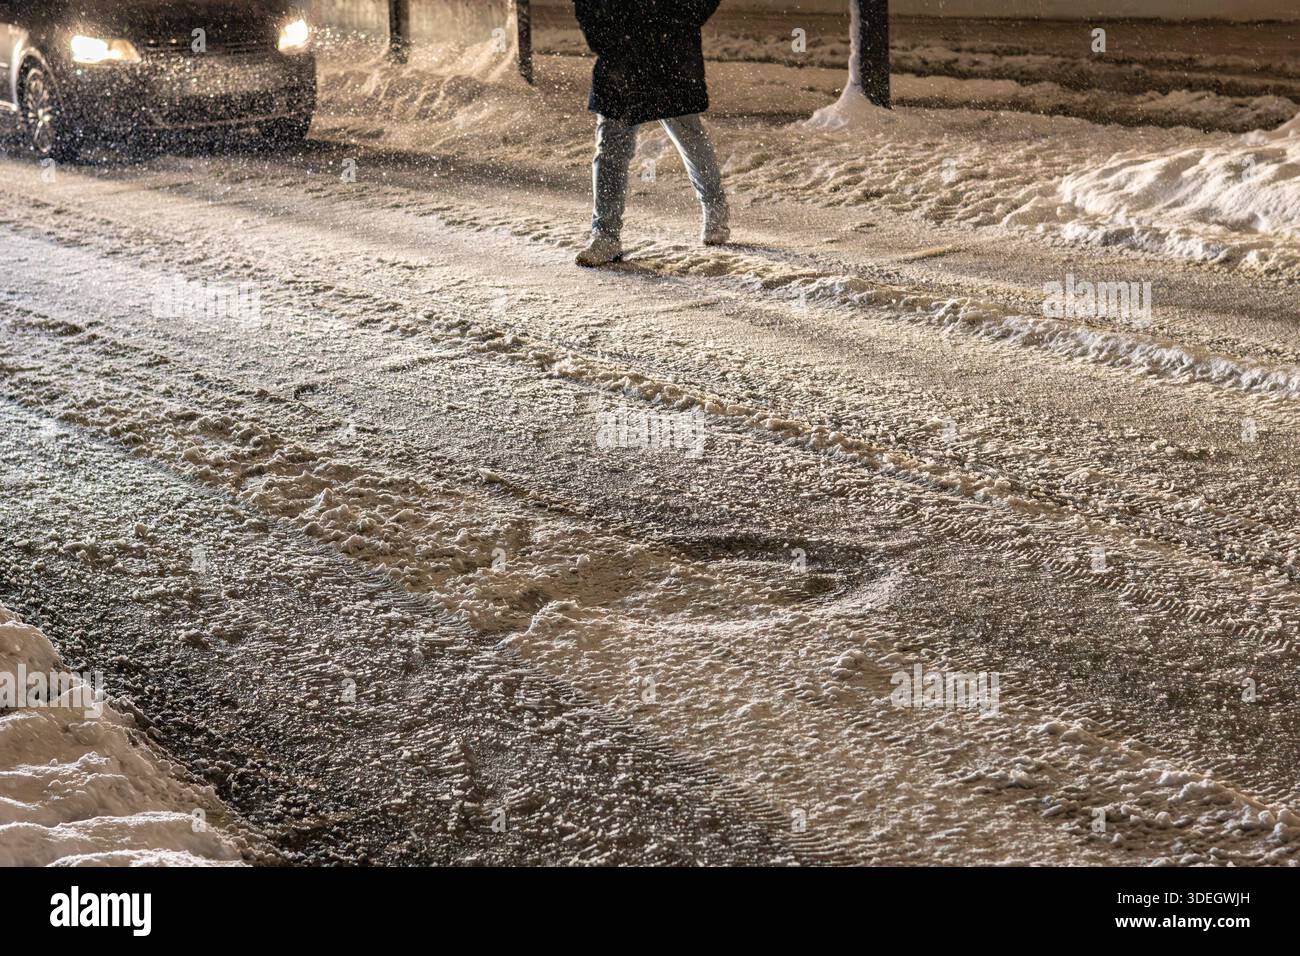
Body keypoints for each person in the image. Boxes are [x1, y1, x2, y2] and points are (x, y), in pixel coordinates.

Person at [573, 0, 731, 267]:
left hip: (669, 53)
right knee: (611, 145)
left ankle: (715, 209)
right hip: (621, 58)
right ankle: (605, 235)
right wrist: (606, 38)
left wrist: (677, 20)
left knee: (688, 134)